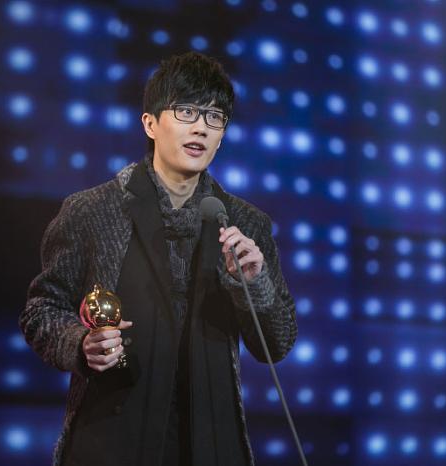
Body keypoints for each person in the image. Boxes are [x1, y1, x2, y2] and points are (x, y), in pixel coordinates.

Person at [20, 51, 297, 466]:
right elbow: (42, 309)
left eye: (215, 117)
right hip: (112, 441)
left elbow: (278, 342)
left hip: (213, 444)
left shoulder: (245, 223)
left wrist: (255, 284)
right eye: (186, 111)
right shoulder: (92, 211)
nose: (201, 127)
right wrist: (80, 343)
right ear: (150, 123)